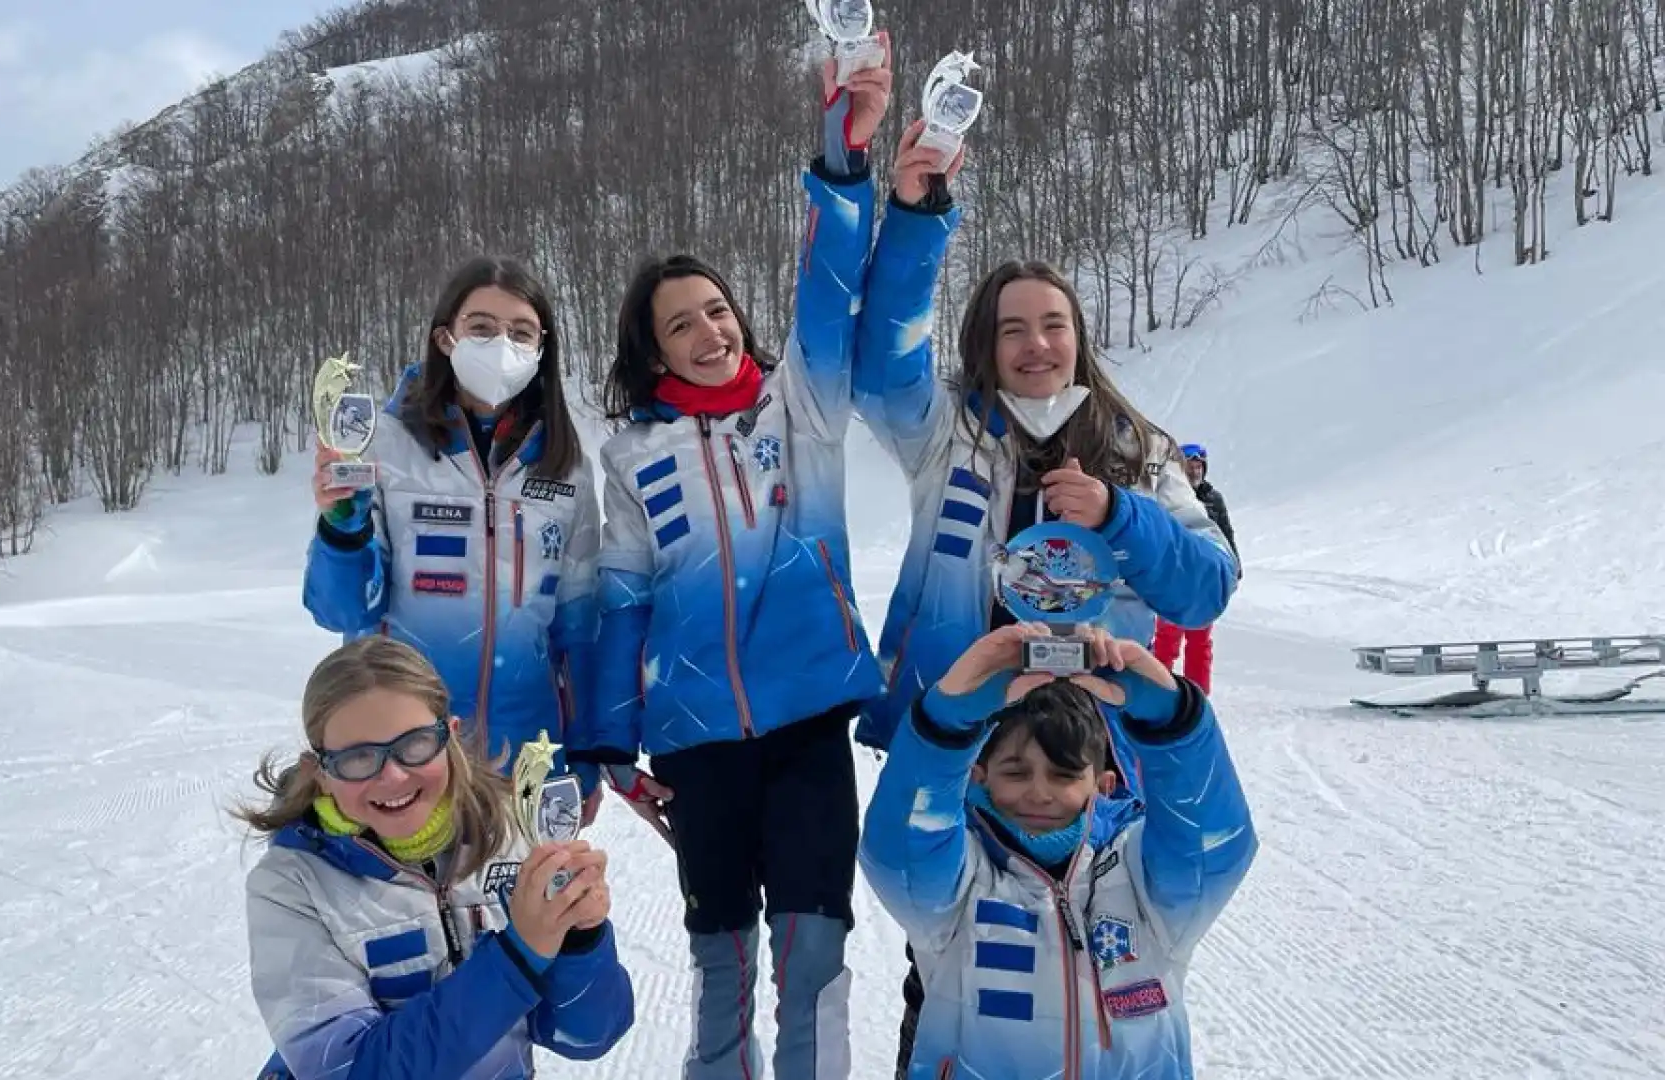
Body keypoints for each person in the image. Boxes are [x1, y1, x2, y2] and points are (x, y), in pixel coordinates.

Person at [850, 124, 1240, 1076]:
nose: (1036, 344)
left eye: (1054, 324)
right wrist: (915, 215)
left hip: (1094, 760)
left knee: (1113, 964)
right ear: (986, 343)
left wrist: (1119, 515)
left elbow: (1208, 583)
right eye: (1012, 327)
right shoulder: (946, 432)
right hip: (966, 751)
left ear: (1080, 336)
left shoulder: (1136, 447)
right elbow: (885, 357)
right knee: (945, 967)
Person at [564, 40, 894, 1080]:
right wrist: (610, 740)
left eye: (716, 310)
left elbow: (832, 284)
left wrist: (841, 160)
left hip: (805, 728)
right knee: (720, 967)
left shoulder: (799, 404)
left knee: (813, 958)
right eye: (681, 324)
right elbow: (623, 602)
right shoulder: (632, 458)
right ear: (651, 352)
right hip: (697, 741)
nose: (709, 330)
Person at [858, 622, 1256, 1079]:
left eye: (1064, 775)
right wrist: (945, 722)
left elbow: (1212, 847)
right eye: (1016, 772)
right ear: (980, 775)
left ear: (1103, 785)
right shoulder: (961, 880)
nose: (1040, 793)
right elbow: (900, 853)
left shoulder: (1142, 877)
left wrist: (1173, 720)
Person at [237, 636, 635, 1080]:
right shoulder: (292, 886)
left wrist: (580, 937)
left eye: (415, 744)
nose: (392, 775)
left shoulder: (510, 832)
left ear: (450, 735)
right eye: (358, 758)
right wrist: (519, 956)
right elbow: (350, 1071)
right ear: (321, 773)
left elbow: (587, 1036)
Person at [301, 257, 602, 817]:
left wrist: (582, 757)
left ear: (542, 349)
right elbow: (344, 611)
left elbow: (578, 630)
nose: (501, 345)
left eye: (520, 332)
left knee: (532, 905)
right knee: (416, 904)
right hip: (407, 752)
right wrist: (343, 527)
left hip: (527, 757)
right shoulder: (387, 445)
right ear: (446, 337)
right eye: (482, 328)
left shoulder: (565, 467)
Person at [1151, 442, 1238, 691]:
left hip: (1202, 579)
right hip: (1173, 579)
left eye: (1199, 466)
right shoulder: (1169, 497)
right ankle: (1158, 689)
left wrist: (1234, 565)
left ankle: (1199, 695)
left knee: (1200, 641)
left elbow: (1225, 533)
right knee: (1167, 640)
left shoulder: (1211, 499)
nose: (1195, 471)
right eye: (1190, 466)